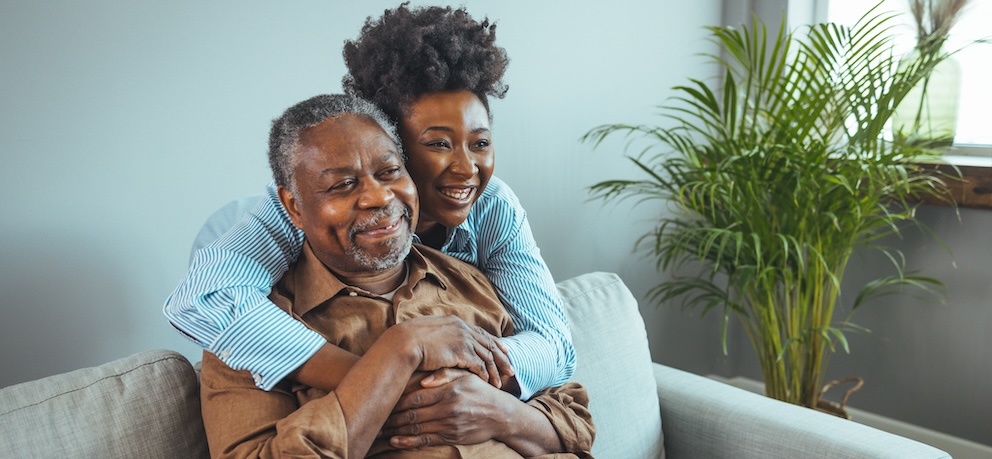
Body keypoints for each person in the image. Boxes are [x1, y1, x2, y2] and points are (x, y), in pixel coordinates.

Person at [164, 2, 573, 404]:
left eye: (480, 143)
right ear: (389, 145)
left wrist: (462, 382)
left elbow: (555, 344)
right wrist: (383, 380)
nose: (467, 169)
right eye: (438, 145)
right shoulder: (300, 209)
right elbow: (203, 297)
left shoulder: (493, 205)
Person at [199, 93, 594, 459]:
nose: (379, 197)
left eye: (389, 171)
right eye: (343, 184)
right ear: (294, 206)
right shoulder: (245, 334)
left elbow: (575, 423)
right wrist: (398, 352)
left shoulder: (468, 279)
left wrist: (498, 412)